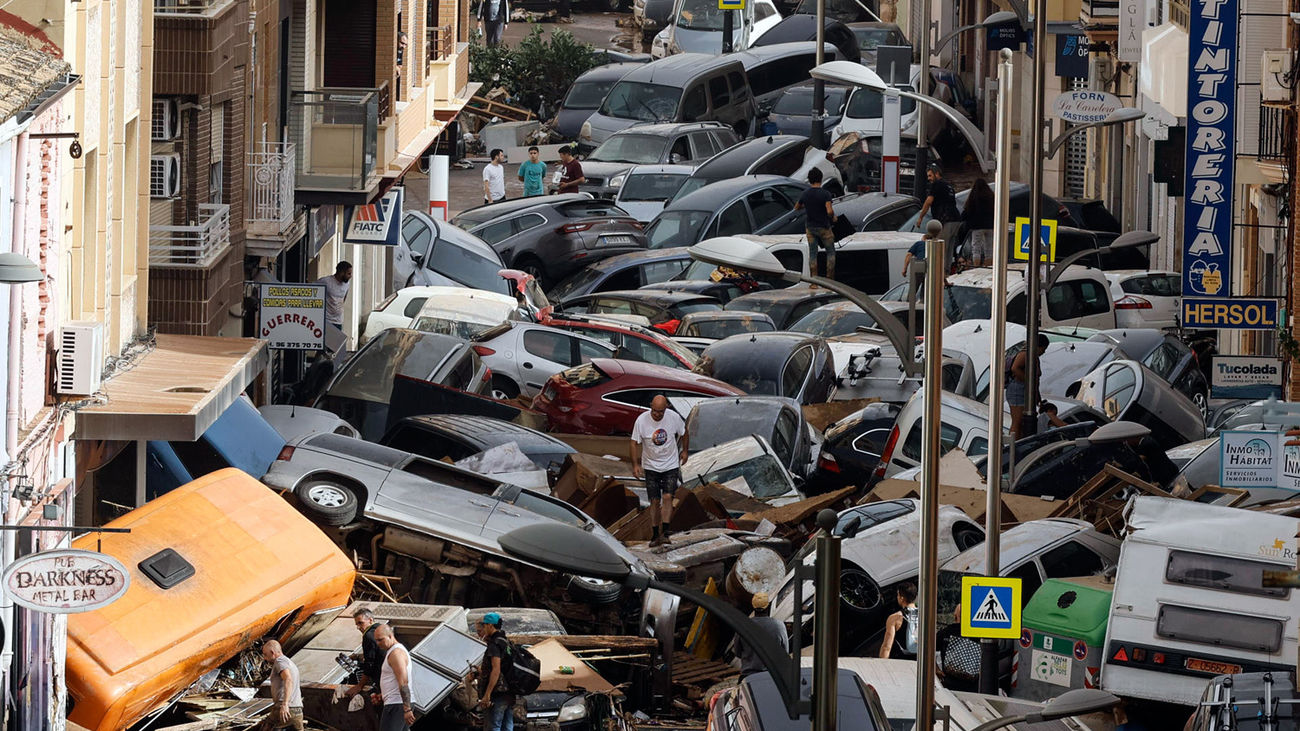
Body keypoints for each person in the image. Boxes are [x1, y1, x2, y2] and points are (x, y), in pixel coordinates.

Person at [630, 394, 688, 547]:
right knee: (654, 501)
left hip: (670, 464)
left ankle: (666, 531)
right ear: (651, 407)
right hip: (651, 466)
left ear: (666, 409)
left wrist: (685, 451)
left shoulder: (673, 418)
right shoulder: (641, 421)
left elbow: (684, 432)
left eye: (660, 412)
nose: (657, 414)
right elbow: (633, 443)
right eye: (654, 411)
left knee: (668, 497)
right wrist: (635, 464)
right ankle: (655, 533)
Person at [731, 592, 789, 678]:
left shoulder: (743, 626)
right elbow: (784, 653)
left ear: (753, 607)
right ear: (768, 606)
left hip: (748, 676)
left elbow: (738, 653)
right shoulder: (779, 626)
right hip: (772, 676)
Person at [914, 164, 961, 270]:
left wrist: (921, 217)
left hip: (946, 220)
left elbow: (928, 201)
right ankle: (947, 271)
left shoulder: (937, 184)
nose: (929, 179)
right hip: (956, 220)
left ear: (936, 174)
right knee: (949, 249)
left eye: (930, 176)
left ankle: (941, 272)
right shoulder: (949, 186)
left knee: (941, 248)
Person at [794, 168, 837, 279]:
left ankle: (814, 280)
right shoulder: (825, 194)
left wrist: (808, 205)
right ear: (821, 179)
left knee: (813, 253)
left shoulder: (805, 194)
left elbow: (797, 207)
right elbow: (829, 211)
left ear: (809, 180)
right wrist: (833, 217)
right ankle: (829, 280)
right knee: (830, 253)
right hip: (824, 227)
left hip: (810, 228)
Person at [476, 612, 516, 731]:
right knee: (507, 726)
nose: (483, 629)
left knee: (494, 726)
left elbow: (496, 670)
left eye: (484, 626)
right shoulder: (506, 642)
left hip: (498, 693)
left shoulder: (494, 644)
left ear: (490, 626)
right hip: (510, 691)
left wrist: (487, 694)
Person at [373, 623, 416, 731]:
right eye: (376, 640)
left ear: (391, 636)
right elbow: (394, 680)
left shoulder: (396, 653)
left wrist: (406, 709)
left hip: (397, 704)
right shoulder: (392, 652)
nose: (378, 644)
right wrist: (383, 695)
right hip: (395, 702)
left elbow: (403, 681)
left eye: (380, 640)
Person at [1007, 334, 1049, 438]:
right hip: (1019, 389)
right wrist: (1028, 382)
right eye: (1043, 349)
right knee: (1018, 421)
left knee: (1023, 422)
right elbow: (1015, 368)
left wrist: (1037, 395)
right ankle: (1013, 446)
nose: (1044, 352)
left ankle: (1018, 442)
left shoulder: (1033, 357)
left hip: (1025, 389)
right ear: (1038, 346)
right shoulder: (1025, 354)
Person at [261, 640, 304, 731]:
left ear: (272, 653)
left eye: (265, 654)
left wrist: (285, 704)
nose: (264, 658)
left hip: (285, 708)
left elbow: (288, 679)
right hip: (297, 709)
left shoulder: (280, 661)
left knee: (266, 727)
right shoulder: (290, 662)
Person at [343, 608, 384, 701]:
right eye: (357, 624)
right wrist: (358, 656)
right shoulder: (382, 629)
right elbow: (378, 652)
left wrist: (359, 685)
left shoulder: (368, 636)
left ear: (370, 620)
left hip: (382, 680)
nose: (358, 627)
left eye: (360, 623)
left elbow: (370, 663)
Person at [879, 582, 918, 659]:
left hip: (900, 662)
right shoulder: (925, 616)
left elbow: (887, 646)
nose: (897, 597)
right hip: (919, 662)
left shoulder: (895, 618)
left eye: (898, 595)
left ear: (901, 598)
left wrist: (881, 663)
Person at [962, 178, 995, 267]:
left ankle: (976, 266)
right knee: (989, 248)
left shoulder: (973, 197)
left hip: (977, 226)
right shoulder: (991, 196)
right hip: (990, 226)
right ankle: (989, 266)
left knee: (976, 248)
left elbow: (967, 212)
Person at [316, 261, 352, 332]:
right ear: (341, 272)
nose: (350, 276)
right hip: (326, 320)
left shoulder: (347, 284)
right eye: (348, 274)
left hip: (338, 321)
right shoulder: (326, 281)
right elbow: (312, 289)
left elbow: (344, 298)